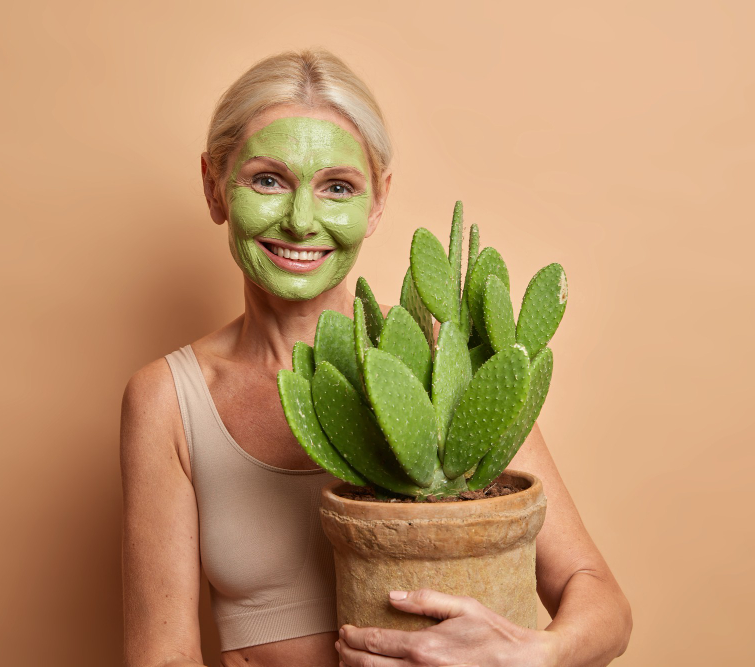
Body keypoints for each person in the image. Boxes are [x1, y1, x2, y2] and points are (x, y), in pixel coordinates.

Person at [120, 49, 633, 667]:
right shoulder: (168, 399)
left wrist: (532, 658)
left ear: (379, 200)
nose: (302, 220)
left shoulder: (448, 363)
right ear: (213, 187)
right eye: (267, 180)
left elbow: (601, 602)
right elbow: (162, 655)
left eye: (338, 187)